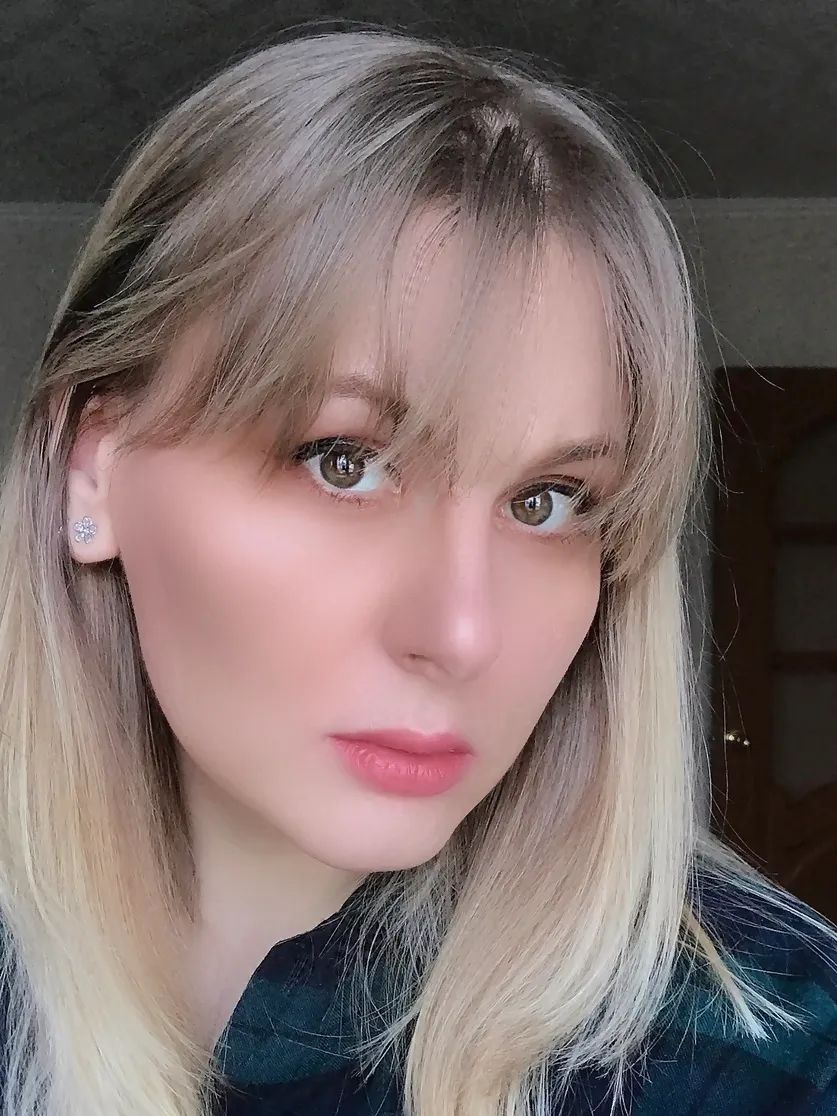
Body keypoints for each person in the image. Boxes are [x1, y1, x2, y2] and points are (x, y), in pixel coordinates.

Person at [0, 25, 834, 1116]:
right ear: (94, 468)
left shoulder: (771, 1057)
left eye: (547, 501)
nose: (461, 633)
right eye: (343, 462)